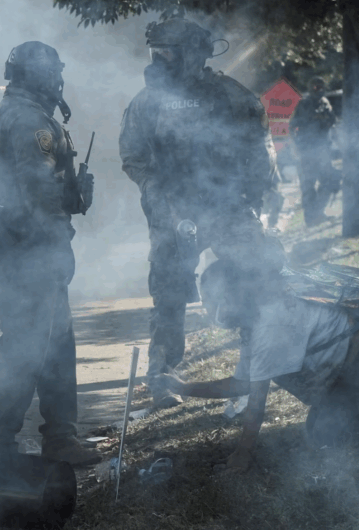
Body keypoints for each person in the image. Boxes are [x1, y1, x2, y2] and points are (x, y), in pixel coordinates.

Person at [119, 9, 280, 409]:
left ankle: (263, 365)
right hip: (175, 214)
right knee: (169, 295)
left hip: (227, 208)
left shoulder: (231, 95)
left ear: (194, 54)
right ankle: (160, 379)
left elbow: (260, 148)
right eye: (156, 52)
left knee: (259, 278)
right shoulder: (147, 102)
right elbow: (133, 157)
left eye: (168, 53)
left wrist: (253, 198)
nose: (159, 61)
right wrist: (159, 198)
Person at [161, 260, 359, 472]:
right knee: (323, 431)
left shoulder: (270, 324)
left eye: (210, 300)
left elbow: (256, 404)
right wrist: (183, 387)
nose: (207, 309)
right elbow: (243, 383)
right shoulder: (256, 318)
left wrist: (242, 455)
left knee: (333, 435)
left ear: (230, 296)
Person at [0, 41, 99, 466]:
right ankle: (3, 444)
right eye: (53, 73)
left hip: (11, 241)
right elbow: (39, 189)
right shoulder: (30, 121)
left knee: (54, 343)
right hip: (29, 246)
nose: (58, 81)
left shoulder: (7, 113)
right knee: (28, 347)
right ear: (41, 75)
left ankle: (56, 437)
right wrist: (55, 246)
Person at [290, 76, 339, 226]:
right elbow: (292, 127)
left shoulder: (325, 103)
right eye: (316, 87)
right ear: (311, 88)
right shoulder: (304, 104)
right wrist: (295, 147)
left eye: (321, 86)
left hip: (323, 149)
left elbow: (332, 124)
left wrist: (337, 143)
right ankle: (311, 218)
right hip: (307, 150)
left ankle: (317, 212)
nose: (319, 90)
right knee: (308, 185)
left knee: (329, 182)